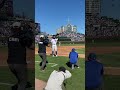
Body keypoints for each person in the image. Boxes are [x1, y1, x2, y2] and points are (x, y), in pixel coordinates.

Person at [7, 22, 34, 90]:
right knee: (23, 82)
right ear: (20, 28)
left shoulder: (9, 38)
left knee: (20, 79)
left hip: (10, 63)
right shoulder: (22, 37)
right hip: (19, 63)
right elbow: (31, 47)